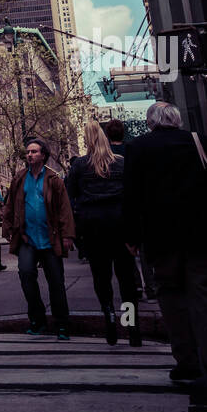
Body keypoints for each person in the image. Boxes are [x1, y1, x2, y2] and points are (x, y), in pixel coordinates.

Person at [122, 101, 207, 401]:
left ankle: (187, 364)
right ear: (177, 120)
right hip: (203, 236)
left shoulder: (138, 148)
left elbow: (132, 196)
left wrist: (131, 236)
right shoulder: (199, 141)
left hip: (161, 240)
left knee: (172, 302)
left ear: (150, 122)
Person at [66, 121, 141, 346]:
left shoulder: (79, 166)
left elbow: (71, 200)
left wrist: (76, 231)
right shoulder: (121, 163)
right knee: (126, 279)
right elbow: (133, 199)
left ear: (87, 140)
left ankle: (109, 318)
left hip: (93, 228)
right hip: (120, 226)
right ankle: (131, 326)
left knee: (102, 277)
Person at [2, 137, 76, 340]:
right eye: (28, 152)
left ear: (43, 155)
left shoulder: (54, 179)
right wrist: (8, 229)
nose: (30, 155)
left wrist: (68, 235)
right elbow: (10, 205)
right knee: (26, 275)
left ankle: (62, 324)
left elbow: (64, 209)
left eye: (34, 151)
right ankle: (37, 319)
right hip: (27, 239)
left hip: (50, 239)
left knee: (56, 282)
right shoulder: (19, 178)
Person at [105, 118, 155, 300]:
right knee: (144, 249)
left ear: (107, 134)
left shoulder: (106, 154)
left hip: (117, 207)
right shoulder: (133, 149)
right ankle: (152, 287)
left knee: (126, 250)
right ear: (123, 132)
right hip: (137, 204)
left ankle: (135, 286)